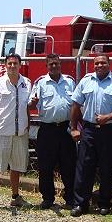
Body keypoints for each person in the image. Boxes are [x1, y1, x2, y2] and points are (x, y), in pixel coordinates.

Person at [69, 54, 112, 217]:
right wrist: (74, 128)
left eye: (103, 62)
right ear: (93, 65)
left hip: (109, 131)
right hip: (88, 131)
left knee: (107, 168)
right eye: (96, 63)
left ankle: (104, 203)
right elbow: (76, 104)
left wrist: (108, 117)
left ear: (109, 64)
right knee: (84, 168)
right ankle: (80, 204)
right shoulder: (86, 81)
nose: (99, 65)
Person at [28, 53, 77, 209]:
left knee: (68, 165)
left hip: (66, 129)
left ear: (60, 64)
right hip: (47, 130)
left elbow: (77, 104)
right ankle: (48, 198)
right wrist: (32, 103)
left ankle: (70, 198)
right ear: (46, 66)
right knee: (45, 166)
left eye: (56, 63)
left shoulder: (70, 82)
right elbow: (30, 104)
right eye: (51, 64)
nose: (54, 66)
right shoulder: (40, 83)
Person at [0, 53, 31, 211]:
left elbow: (27, 106)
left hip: (20, 133)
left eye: (15, 63)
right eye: (9, 63)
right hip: (2, 132)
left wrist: (28, 125)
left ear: (20, 65)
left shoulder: (26, 83)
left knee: (16, 166)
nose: (12, 66)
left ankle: (15, 197)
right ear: (5, 65)